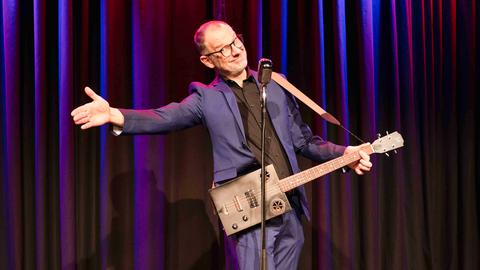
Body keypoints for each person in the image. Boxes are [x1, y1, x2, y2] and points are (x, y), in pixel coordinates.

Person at [71, 20, 372, 270]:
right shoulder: (206, 97)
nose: (235, 50)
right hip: (249, 206)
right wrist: (115, 115)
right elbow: (165, 117)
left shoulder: (277, 85)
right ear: (207, 59)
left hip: (289, 203)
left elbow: (304, 141)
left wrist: (345, 153)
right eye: (223, 48)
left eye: (236, 41)